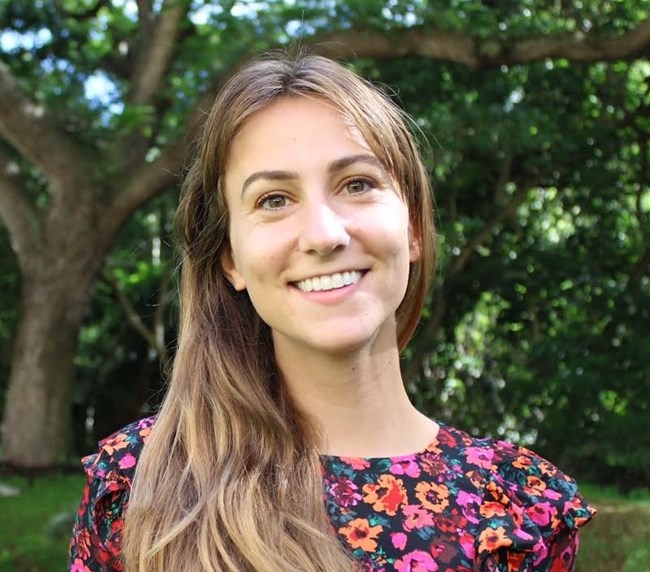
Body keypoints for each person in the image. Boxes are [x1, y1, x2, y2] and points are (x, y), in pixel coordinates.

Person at [69, 51, 595, 572]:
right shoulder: (140, 482)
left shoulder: (517, 510)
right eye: (274, 199)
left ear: (412, 228)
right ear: (230, 258)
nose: (324, 234)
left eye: (357, 185)